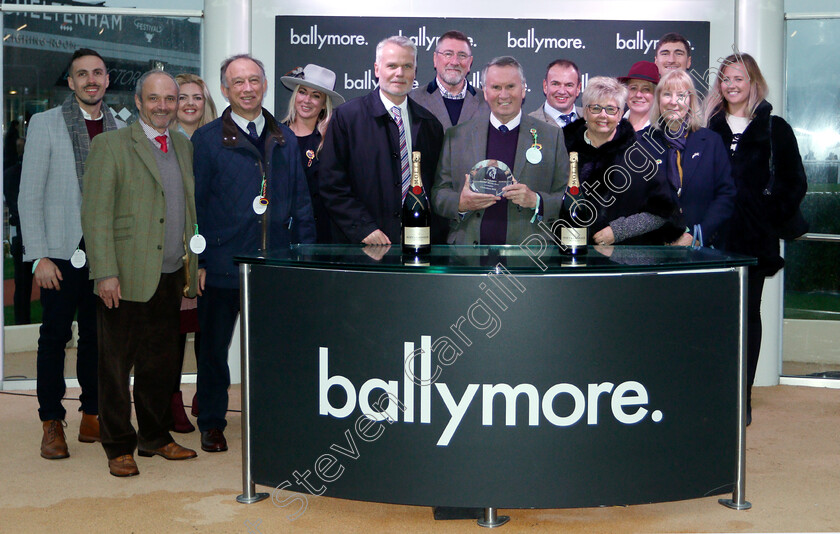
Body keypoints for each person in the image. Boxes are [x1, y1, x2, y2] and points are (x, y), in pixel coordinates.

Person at [192, 54, 316, 454]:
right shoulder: (207, 139)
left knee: (271, 352)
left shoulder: (286, 139)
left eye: (254, 80)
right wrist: (201, 262)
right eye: (238, 82)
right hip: (223, 265)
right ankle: (211, 421)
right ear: (226, 90)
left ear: (265, 85)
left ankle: (269, 418)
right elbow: (196, 207)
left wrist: (305, 259)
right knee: (212, 349)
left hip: (273, 266)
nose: (247, 88)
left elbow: (302, 205)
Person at [81, 69, 199, 477]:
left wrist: (191, 270)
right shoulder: (111, 145)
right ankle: (117, 445)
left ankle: (155, 436)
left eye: (170, 98)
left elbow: (189, 214)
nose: (164, 106)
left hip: (170, 274)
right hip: (124, 275)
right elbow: (95, 216)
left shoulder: (183, 145)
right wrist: (105, 272)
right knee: (115, 367)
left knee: (161, 364)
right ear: (138, 101)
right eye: (154, 99)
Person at [19, 48, 124, 460]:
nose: (91, 80)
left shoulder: (121, 127)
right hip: (60, 253)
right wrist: (38, 256)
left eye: (97, 72)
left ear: (107, 80)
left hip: (106, 253)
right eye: (82, 74)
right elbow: (29, 196)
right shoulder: (45, 124)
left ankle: (93, 415)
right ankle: (51, 421)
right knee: (54, 338)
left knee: (99, 339)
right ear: (71, 82)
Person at [704, 52, 807, 425]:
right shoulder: (708, 127)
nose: (731, 86)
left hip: (753, 242)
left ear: (753, 83)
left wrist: (765, 217)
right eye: (725, 79)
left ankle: (741, 399)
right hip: (710, 244)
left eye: (739, 79)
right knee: (713, 320)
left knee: (747, 319)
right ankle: (712, 394)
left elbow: (794, 182)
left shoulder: (775, 127)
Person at [320, 35, 445, 245]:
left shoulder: (430, 125)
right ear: (377, 70)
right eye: (392, 66)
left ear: (415, 71)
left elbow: (434, 188)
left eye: (407, 66)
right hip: (362, 244)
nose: (399, 73)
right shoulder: (347, 118)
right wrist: (363, 228)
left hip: (416, 243)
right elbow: (331, 184)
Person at [432, 56, 567, 245]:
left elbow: (567, 197)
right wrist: (461, 203)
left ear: (523, 90)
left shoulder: (552, 137)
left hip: (528, 257)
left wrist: (536, 200)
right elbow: (439, 193)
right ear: (485, 92)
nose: (503, 95)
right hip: (468, 258)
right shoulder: (457, 136)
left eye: (510, 87)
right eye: (496, 87)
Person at [563, 76, 682, 246]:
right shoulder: (562, 147)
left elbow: (663, 212)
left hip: (623, 258)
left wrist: (618, 231)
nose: (603, 115)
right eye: (596, 108)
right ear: (586, 111)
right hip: (570, 253)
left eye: (611, 109)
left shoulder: (640, 156)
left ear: (619, 114)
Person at [168, 72, 218, 433]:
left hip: (209, 249)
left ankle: (207, 391)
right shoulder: (161, 142)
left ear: (207, 103)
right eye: (181, 97)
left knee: (208, 330)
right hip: (171, 249)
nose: (189, 104)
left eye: (196, 97)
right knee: (171, 332)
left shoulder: (218, 140)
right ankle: (170, 400)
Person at [641, 70, 736, 248]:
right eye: (667, 94)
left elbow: (726, 194)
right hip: (653, 249)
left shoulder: (711, 141)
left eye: (681, 95)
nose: (674, 102)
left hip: (700, 250)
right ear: (658, 101)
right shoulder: (641, 143)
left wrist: (698, 234)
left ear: (691, 102)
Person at [281, 64, 345, 243]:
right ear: (295, 95)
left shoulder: (332, 142)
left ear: (324, 104)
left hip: (322, 236)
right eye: (303, 92)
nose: (307, 100)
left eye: (316, 96)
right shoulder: (275, 136)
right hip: (282, 236)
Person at [410, 30, 486, 131]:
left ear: (470, 62)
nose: (455, 62)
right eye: (448, 54)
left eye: (462, 55)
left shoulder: (486, 102)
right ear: (435, 59)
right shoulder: (412, 99)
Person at [4, 137, 34, 325]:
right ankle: (22, 324)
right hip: (23, 237)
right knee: (23, 286)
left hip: (22, 236)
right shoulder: (19, 174)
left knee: (23, 286)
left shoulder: (11, 174)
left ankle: (22, 323)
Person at [529, 59, 583, 128]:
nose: (562, 91)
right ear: (545, 86)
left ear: (578, 88)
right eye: (555, 84)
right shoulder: (528, 124)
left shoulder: (591, 119)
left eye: (569, 85)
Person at [618, 61, 659, 132]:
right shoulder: (612, 126)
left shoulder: (664, 133)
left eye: (646, 89)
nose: (638, 95)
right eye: (633, 88)